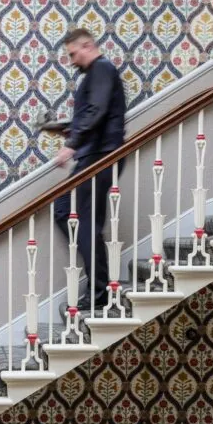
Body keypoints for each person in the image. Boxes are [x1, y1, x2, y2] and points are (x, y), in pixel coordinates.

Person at [53, 28, 126, 311]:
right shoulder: (95, 74)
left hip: (101, 157)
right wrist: (68, 130)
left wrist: (71, 144)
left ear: (87, 46)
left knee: (86, 223)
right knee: (63, 209)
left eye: (73, 54)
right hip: (93, 155)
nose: (72, 61)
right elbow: (95, 113)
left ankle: (100, 292)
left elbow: (96, 111)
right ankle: (99, 278)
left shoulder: (102, 69)